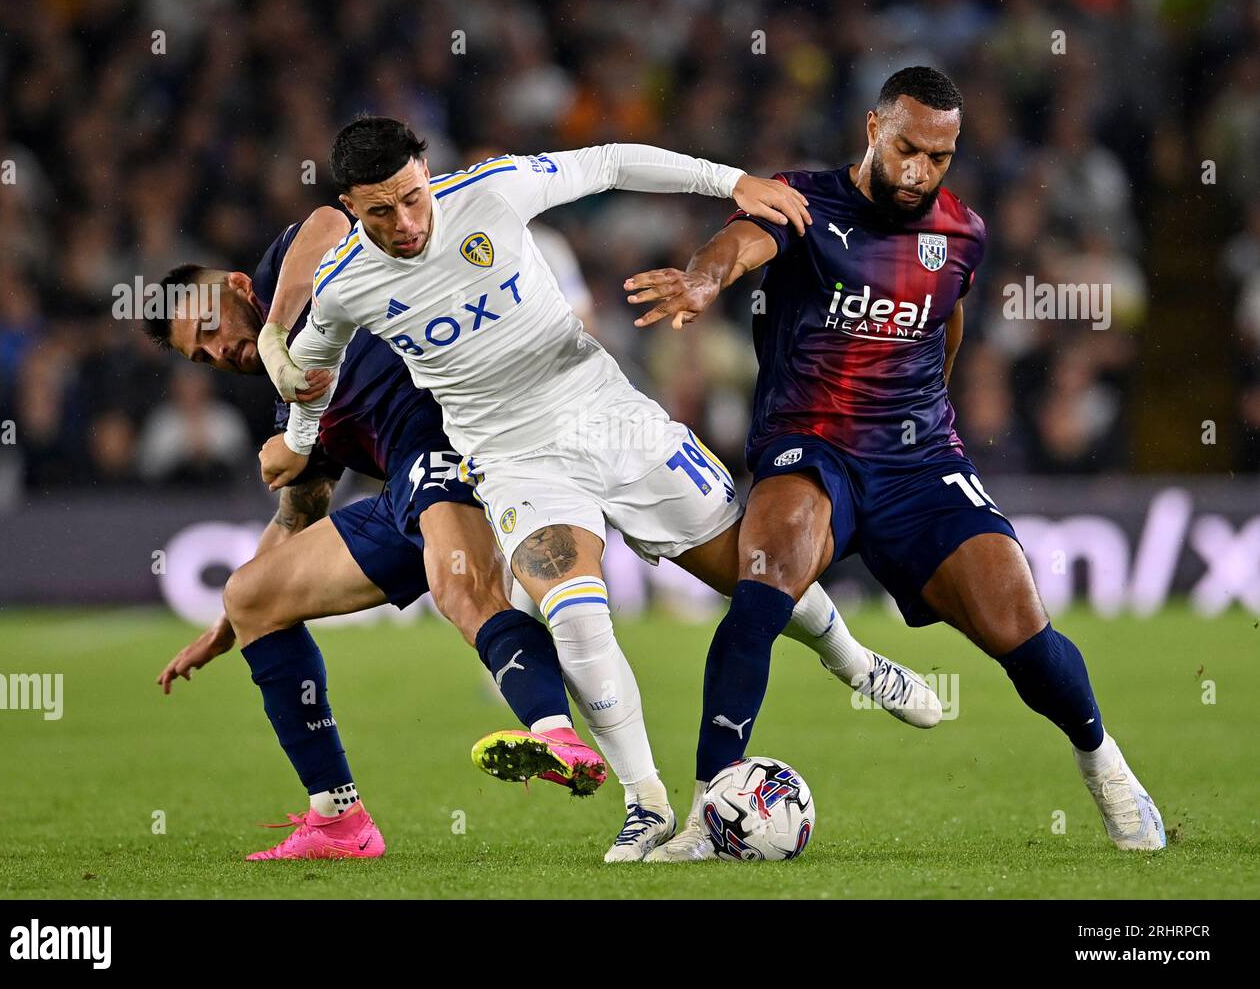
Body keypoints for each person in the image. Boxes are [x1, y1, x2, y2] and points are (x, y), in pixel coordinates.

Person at [262, 119, 944, 861]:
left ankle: (851, 659)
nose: (405, 224)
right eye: (379, 213)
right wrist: (298, 442)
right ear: (350, 209)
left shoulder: (491, 192)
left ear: (428, 171)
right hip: (514, 460)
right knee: (575, 617)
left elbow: (613, 160)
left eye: (412, 199)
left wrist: (734, 183)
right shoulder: (342, 286)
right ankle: (645, 803)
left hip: (610, 420)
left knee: (753, 573)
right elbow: (311, 373)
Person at [626, 66, 1165, 859]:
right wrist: (705, 280)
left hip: (916, 460)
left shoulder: (963, 234)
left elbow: (945, 324)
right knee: (765, 581)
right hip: (810, 445)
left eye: (939, 157)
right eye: (907, 148)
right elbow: (741, 242)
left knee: (1018, 624)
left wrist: (927, 419)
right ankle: (712, 805)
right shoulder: (803, 201)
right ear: (873, 129)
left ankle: (1108, 769)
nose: (920, 171)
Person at [147, 207, 606, 860]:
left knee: (462, 593)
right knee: (252, 593)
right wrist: (225, 624)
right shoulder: (296, 407)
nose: (219, 350)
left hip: (459, 439)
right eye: (203, 354)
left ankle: (556, 734)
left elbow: (328, 221)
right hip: (407, 491)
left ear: (237, 287)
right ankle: (339, 820)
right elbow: (297, 516)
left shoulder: (294, 273)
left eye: (211, 326)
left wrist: (277, 331)